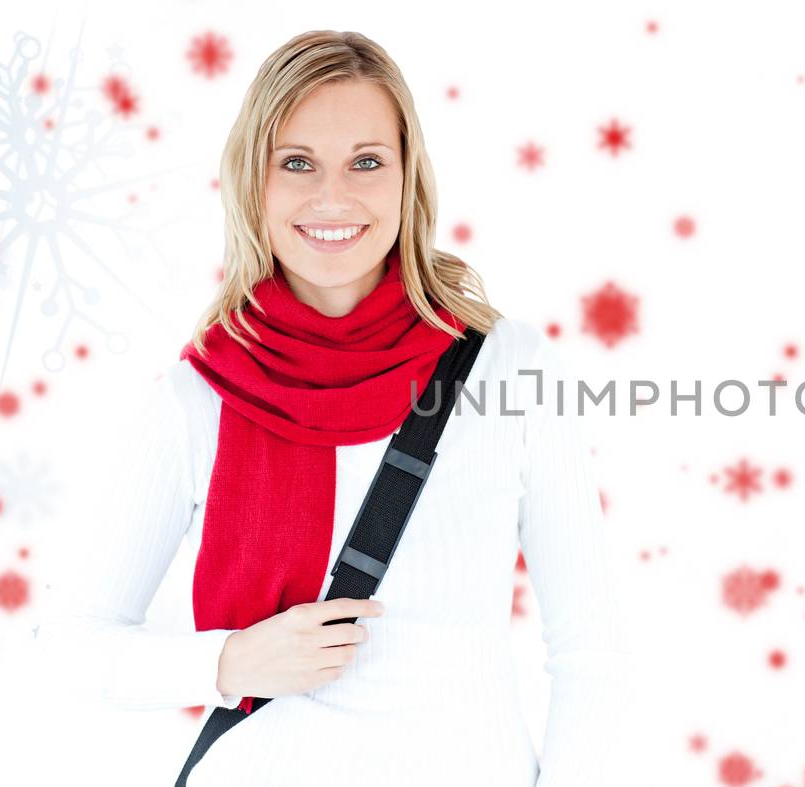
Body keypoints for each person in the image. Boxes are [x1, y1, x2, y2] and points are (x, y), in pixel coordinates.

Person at [39, 30, 636, 786]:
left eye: (365, 161)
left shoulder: (509, 367)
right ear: (253, 181)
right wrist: (226, 662)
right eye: (296, 163)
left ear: (406, 176)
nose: (332, 197)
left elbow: (593, 650)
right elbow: (68, 645)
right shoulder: (199, 396)